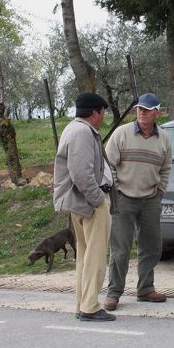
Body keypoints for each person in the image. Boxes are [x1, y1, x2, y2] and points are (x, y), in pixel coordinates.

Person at [103, 93, 172, 311]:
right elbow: (108, 164)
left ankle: (145, 289)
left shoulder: (164, 139)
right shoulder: (121, 134)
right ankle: (114, 293)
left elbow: (166, 169)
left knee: (152, 246)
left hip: (151, 199)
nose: (141, 112)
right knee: (120, 249)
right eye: (139, 109)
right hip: (123, 198)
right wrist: (116, 190)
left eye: (147, 109)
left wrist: (160, 191)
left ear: (156, 113)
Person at [53, 92, 115, 322]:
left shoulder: (74, 128)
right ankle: (90, 306)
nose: (103, 117)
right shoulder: (81, 132)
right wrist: (98, 199)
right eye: (102, 112)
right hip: (90, 204)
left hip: (80, 203)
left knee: (85, 256)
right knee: (95, 257)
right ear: (95, 112)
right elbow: (81, 173)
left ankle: (82, 304)